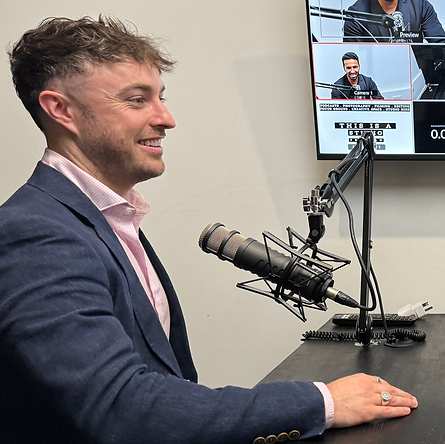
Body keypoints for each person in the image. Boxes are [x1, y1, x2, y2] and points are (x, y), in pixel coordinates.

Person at [0, 16, 417, 443]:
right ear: (61, 110)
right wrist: (323, 402)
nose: (166, 118)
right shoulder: (34, 234)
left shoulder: (108, 218)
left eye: (160, 97)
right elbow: (120, 406)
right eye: (137, 100)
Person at [344, 0, 445, 43]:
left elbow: (442, 45)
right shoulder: (356, 15)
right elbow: (353, 58)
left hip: (415, 74)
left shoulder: (420, 5)